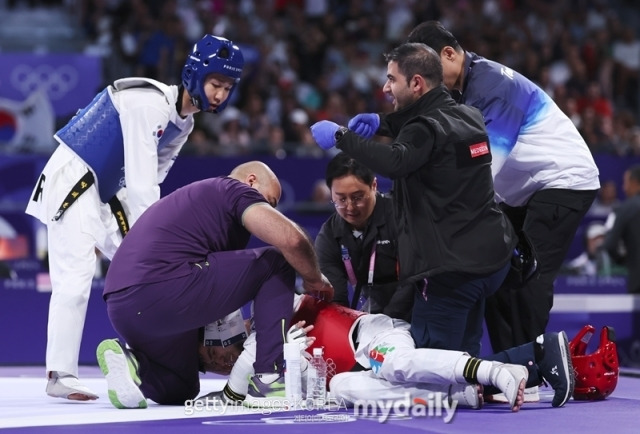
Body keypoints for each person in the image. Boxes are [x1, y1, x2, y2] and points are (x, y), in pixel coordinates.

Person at [348, 21, 600, 354]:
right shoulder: (463, 85)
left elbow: (480, 172)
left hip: (562, 182)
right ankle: (504, 362)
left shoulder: (492, 89)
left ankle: (534, 364)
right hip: (523, 189)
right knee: (494, 265)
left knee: (529, 277)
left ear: (449, 54)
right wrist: (383, 123)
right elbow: (439, 123)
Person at [25, 34, 245, 401]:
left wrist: (160, 249)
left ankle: (132, 362)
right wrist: (163, 242)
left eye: (227, 87)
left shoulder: (183, 124)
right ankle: (60, 374)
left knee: (153, 275)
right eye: (215, 83)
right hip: (75, 180)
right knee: (76, 277)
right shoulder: (150, 103)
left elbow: (153, 179)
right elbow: (144, 187)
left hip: (110, 194)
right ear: (195, 74)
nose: (220, 94)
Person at [310, 42, 518, 358]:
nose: (385, 87)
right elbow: (430, 125)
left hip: (453, 268)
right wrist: (383, 122)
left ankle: (540, 360)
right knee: (463, 360)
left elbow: (398, 159)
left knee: (430, 367)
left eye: (392, 79)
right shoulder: (470, 115)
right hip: (491, 259)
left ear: (416, 82)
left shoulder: (425, 129)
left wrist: (342, 137)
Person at [96, 161, 334, 409]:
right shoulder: (234, 190)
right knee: (278, 261)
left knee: (181, 387)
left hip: (123, 307)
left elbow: (216, 289)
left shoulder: (199, 207)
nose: (270, 208)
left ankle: (131, 364)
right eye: (270, 201)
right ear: (251, 181)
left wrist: (261, 325)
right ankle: (269, 380)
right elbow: (292, 240)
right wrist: (314, 279)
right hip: (163, 286)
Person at [202, 294, 574, 410]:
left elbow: (246, 364)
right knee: (344, 391)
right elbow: (284, 398)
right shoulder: (269, 359)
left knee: (395, 365)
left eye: (215, 356)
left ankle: (494, 372)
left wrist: (231, 393)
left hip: (373, 337)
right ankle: (464, 393)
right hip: (357, 372)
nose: (221, 363)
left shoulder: (278, 306)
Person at [315, 152, 414, 320]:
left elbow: (413, 280)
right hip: (375, 311)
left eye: (357, 197)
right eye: (341, 199)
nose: (350, 207)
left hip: (417, 306)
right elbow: (335, 297)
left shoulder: (401, 217)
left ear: (374, 186)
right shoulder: (329, 234)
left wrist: (387, 323)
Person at [601, 165, 640, 293]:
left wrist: (625, 261)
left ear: (635, 183)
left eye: (626, 183)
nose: (624, 188)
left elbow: (610, 245)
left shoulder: (625, 209)